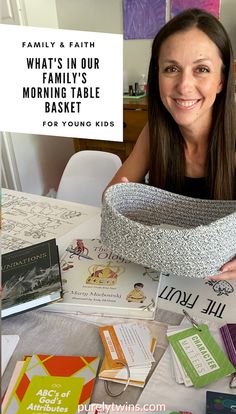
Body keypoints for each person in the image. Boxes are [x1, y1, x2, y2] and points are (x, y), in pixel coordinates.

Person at [106, 8, 236, 280]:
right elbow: (112, 198)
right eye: (171, 69)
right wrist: (125, 200)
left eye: (201, 69)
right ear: (157, 76)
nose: (184, 86)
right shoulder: (155, 133)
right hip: (162, 275)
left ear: (221, 80)